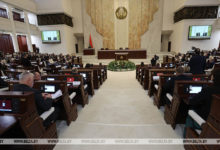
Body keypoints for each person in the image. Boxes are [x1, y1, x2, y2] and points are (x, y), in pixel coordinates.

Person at [183, 69, 220, 137]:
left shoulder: (208, 90)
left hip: (207, 123)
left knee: (191, 111)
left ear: (213, 77)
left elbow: (192, 101)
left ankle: (186, 137)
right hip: (216, 126)